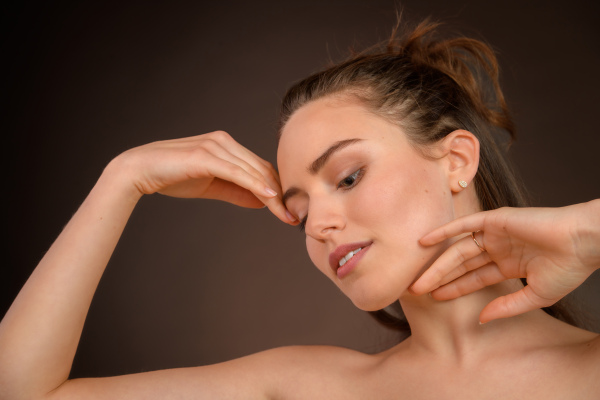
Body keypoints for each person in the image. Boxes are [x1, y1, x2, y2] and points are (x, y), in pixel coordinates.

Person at [1, 19, 599, 399]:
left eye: (348, 175)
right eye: (298, 208)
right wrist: (121, 179)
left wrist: (582, 234)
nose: (318, 225)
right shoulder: (307, 388)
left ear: (456, 161)